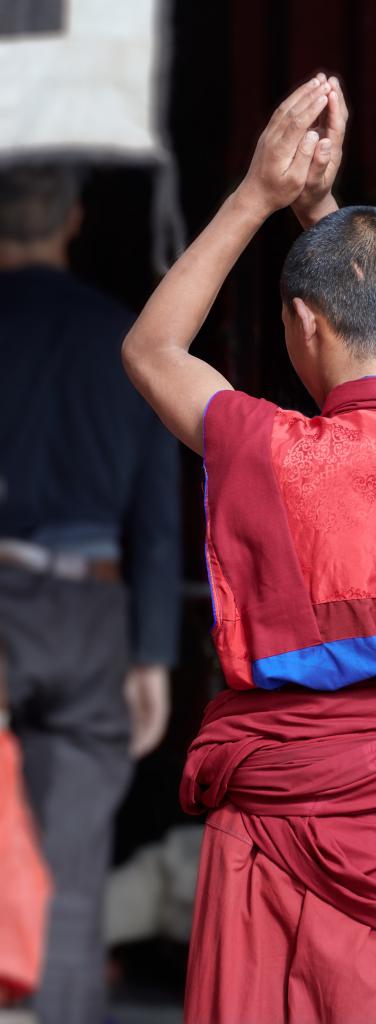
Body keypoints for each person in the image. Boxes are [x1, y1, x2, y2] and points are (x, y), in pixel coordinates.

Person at [122, 74, 376, 1023]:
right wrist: (325, 210)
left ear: (301, 325)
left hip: (279, 835)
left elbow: (152, 349)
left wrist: (260, 196)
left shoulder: (277, 450)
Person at [0, 164, 181, 1024]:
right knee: (72, 882)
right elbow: (156, 520)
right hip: (92, 615)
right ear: (72, 219)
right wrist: (151, 653)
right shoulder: (125, 340)